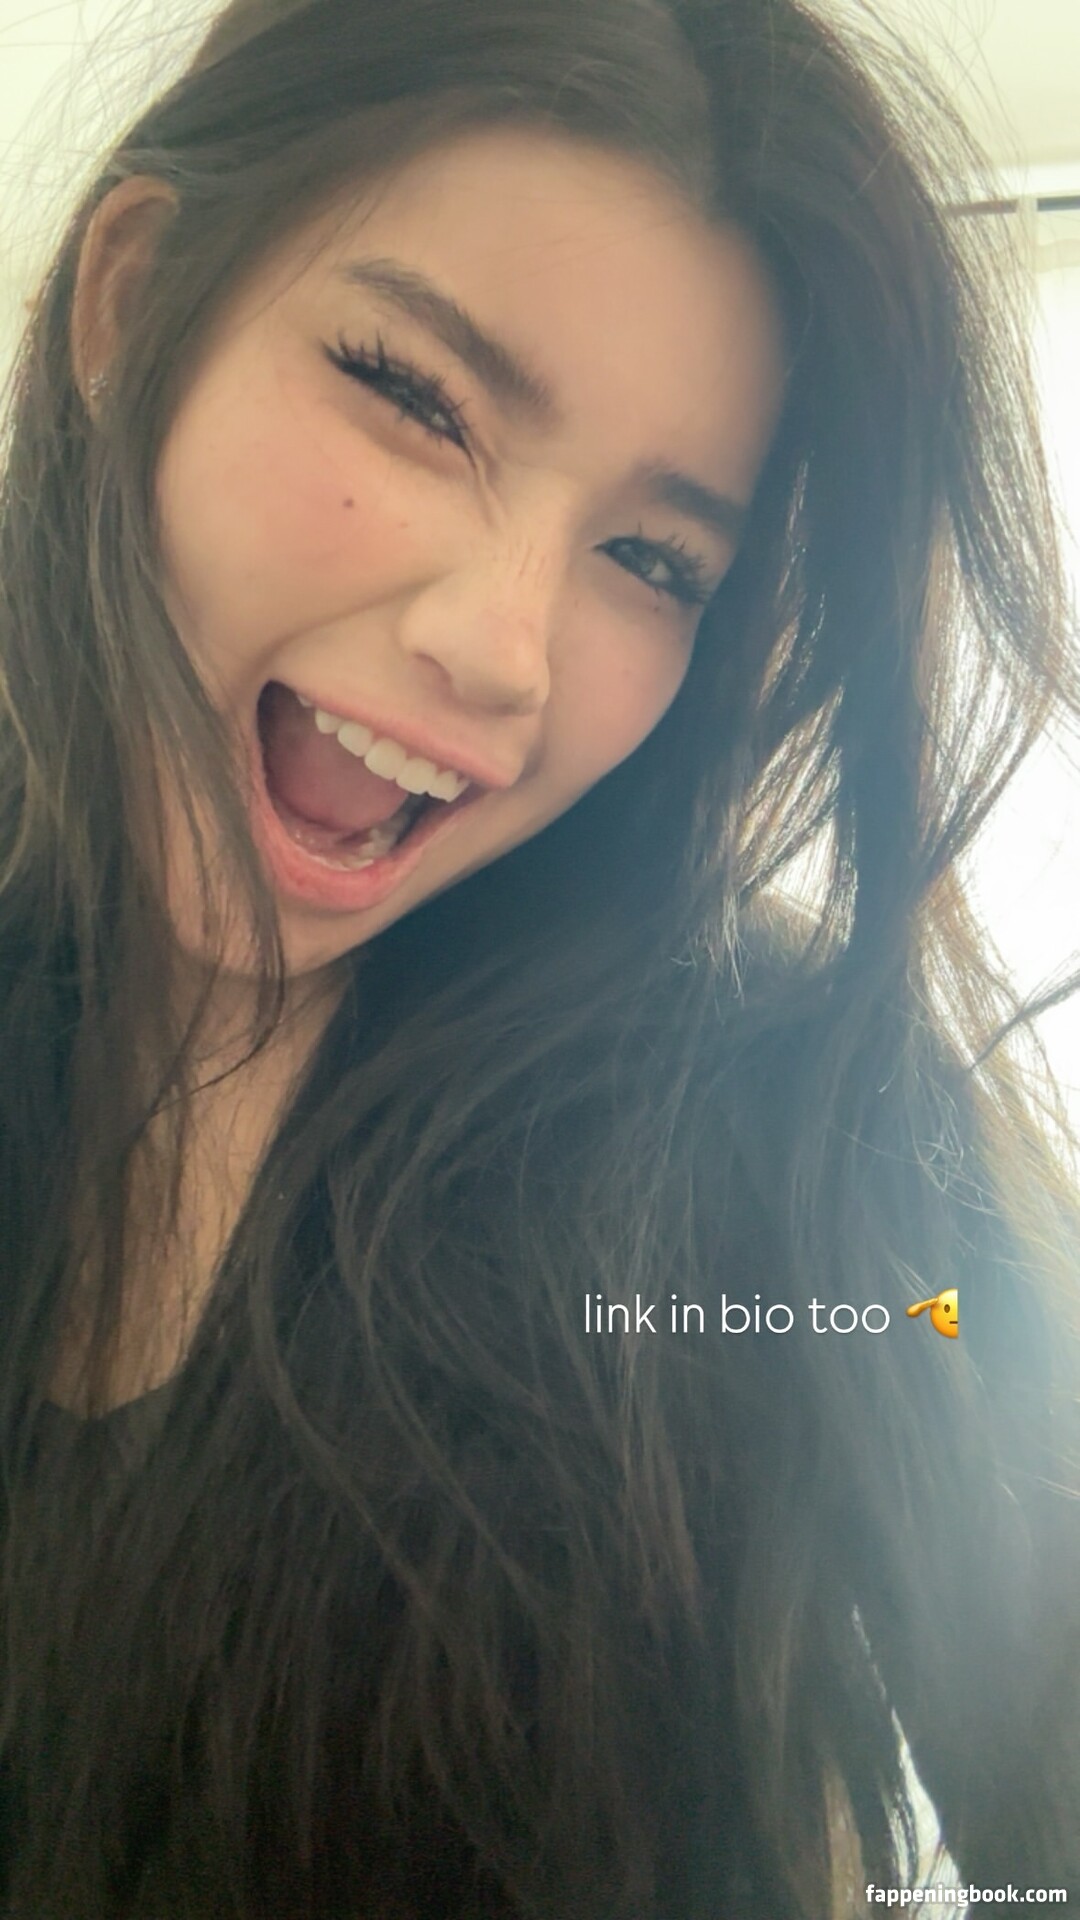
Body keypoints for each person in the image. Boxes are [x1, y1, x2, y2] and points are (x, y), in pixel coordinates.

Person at [0, 0, 1078, 1913]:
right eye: (416, 398)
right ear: (130, 300)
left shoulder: (796, 1158)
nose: (504, 651)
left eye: (656, 562)